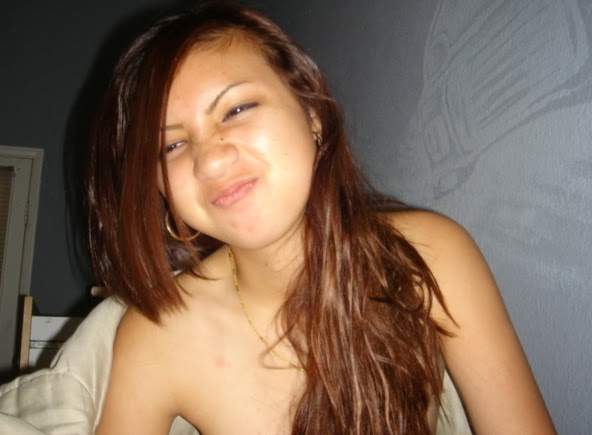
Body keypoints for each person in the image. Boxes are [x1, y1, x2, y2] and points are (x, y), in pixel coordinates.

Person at [87, 2, 555, 434]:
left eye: (237, 109)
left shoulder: (431, 256)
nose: (209, 160)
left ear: (311, 112)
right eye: (171, 145)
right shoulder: (155, 338)